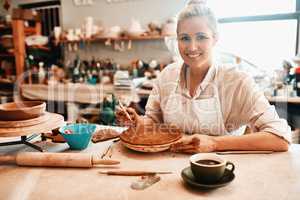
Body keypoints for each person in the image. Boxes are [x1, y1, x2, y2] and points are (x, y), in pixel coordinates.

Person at [116, 0, 291, 153]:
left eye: (201, 37)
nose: (192, 47)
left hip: (221, 174)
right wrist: (138, 122)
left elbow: (280, 138)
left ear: (215, 38)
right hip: (170, 168)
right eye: (184, 38)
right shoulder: (166, 76)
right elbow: (155, 123)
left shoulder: (236, 81)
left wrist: (214, 143)